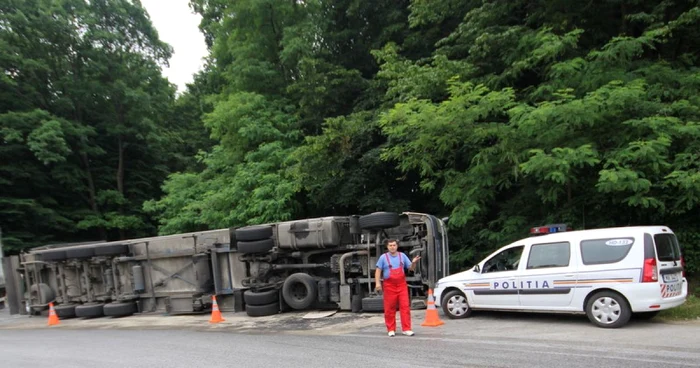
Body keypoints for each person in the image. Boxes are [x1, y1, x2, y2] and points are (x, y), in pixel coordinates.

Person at [375, 238, 421, 337]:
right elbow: (378, 271)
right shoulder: (383, 257)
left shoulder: (402, 256)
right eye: (390, 245)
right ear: (387, 247)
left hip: (401, 285)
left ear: (397, 246)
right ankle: (391, 329)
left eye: (394, 245)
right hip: (389, 286)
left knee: (405, 307)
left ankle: (406, 329)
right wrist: (377, 283)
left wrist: (414, 262)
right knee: (389, 308)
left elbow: (411, 269)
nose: (392, 247)